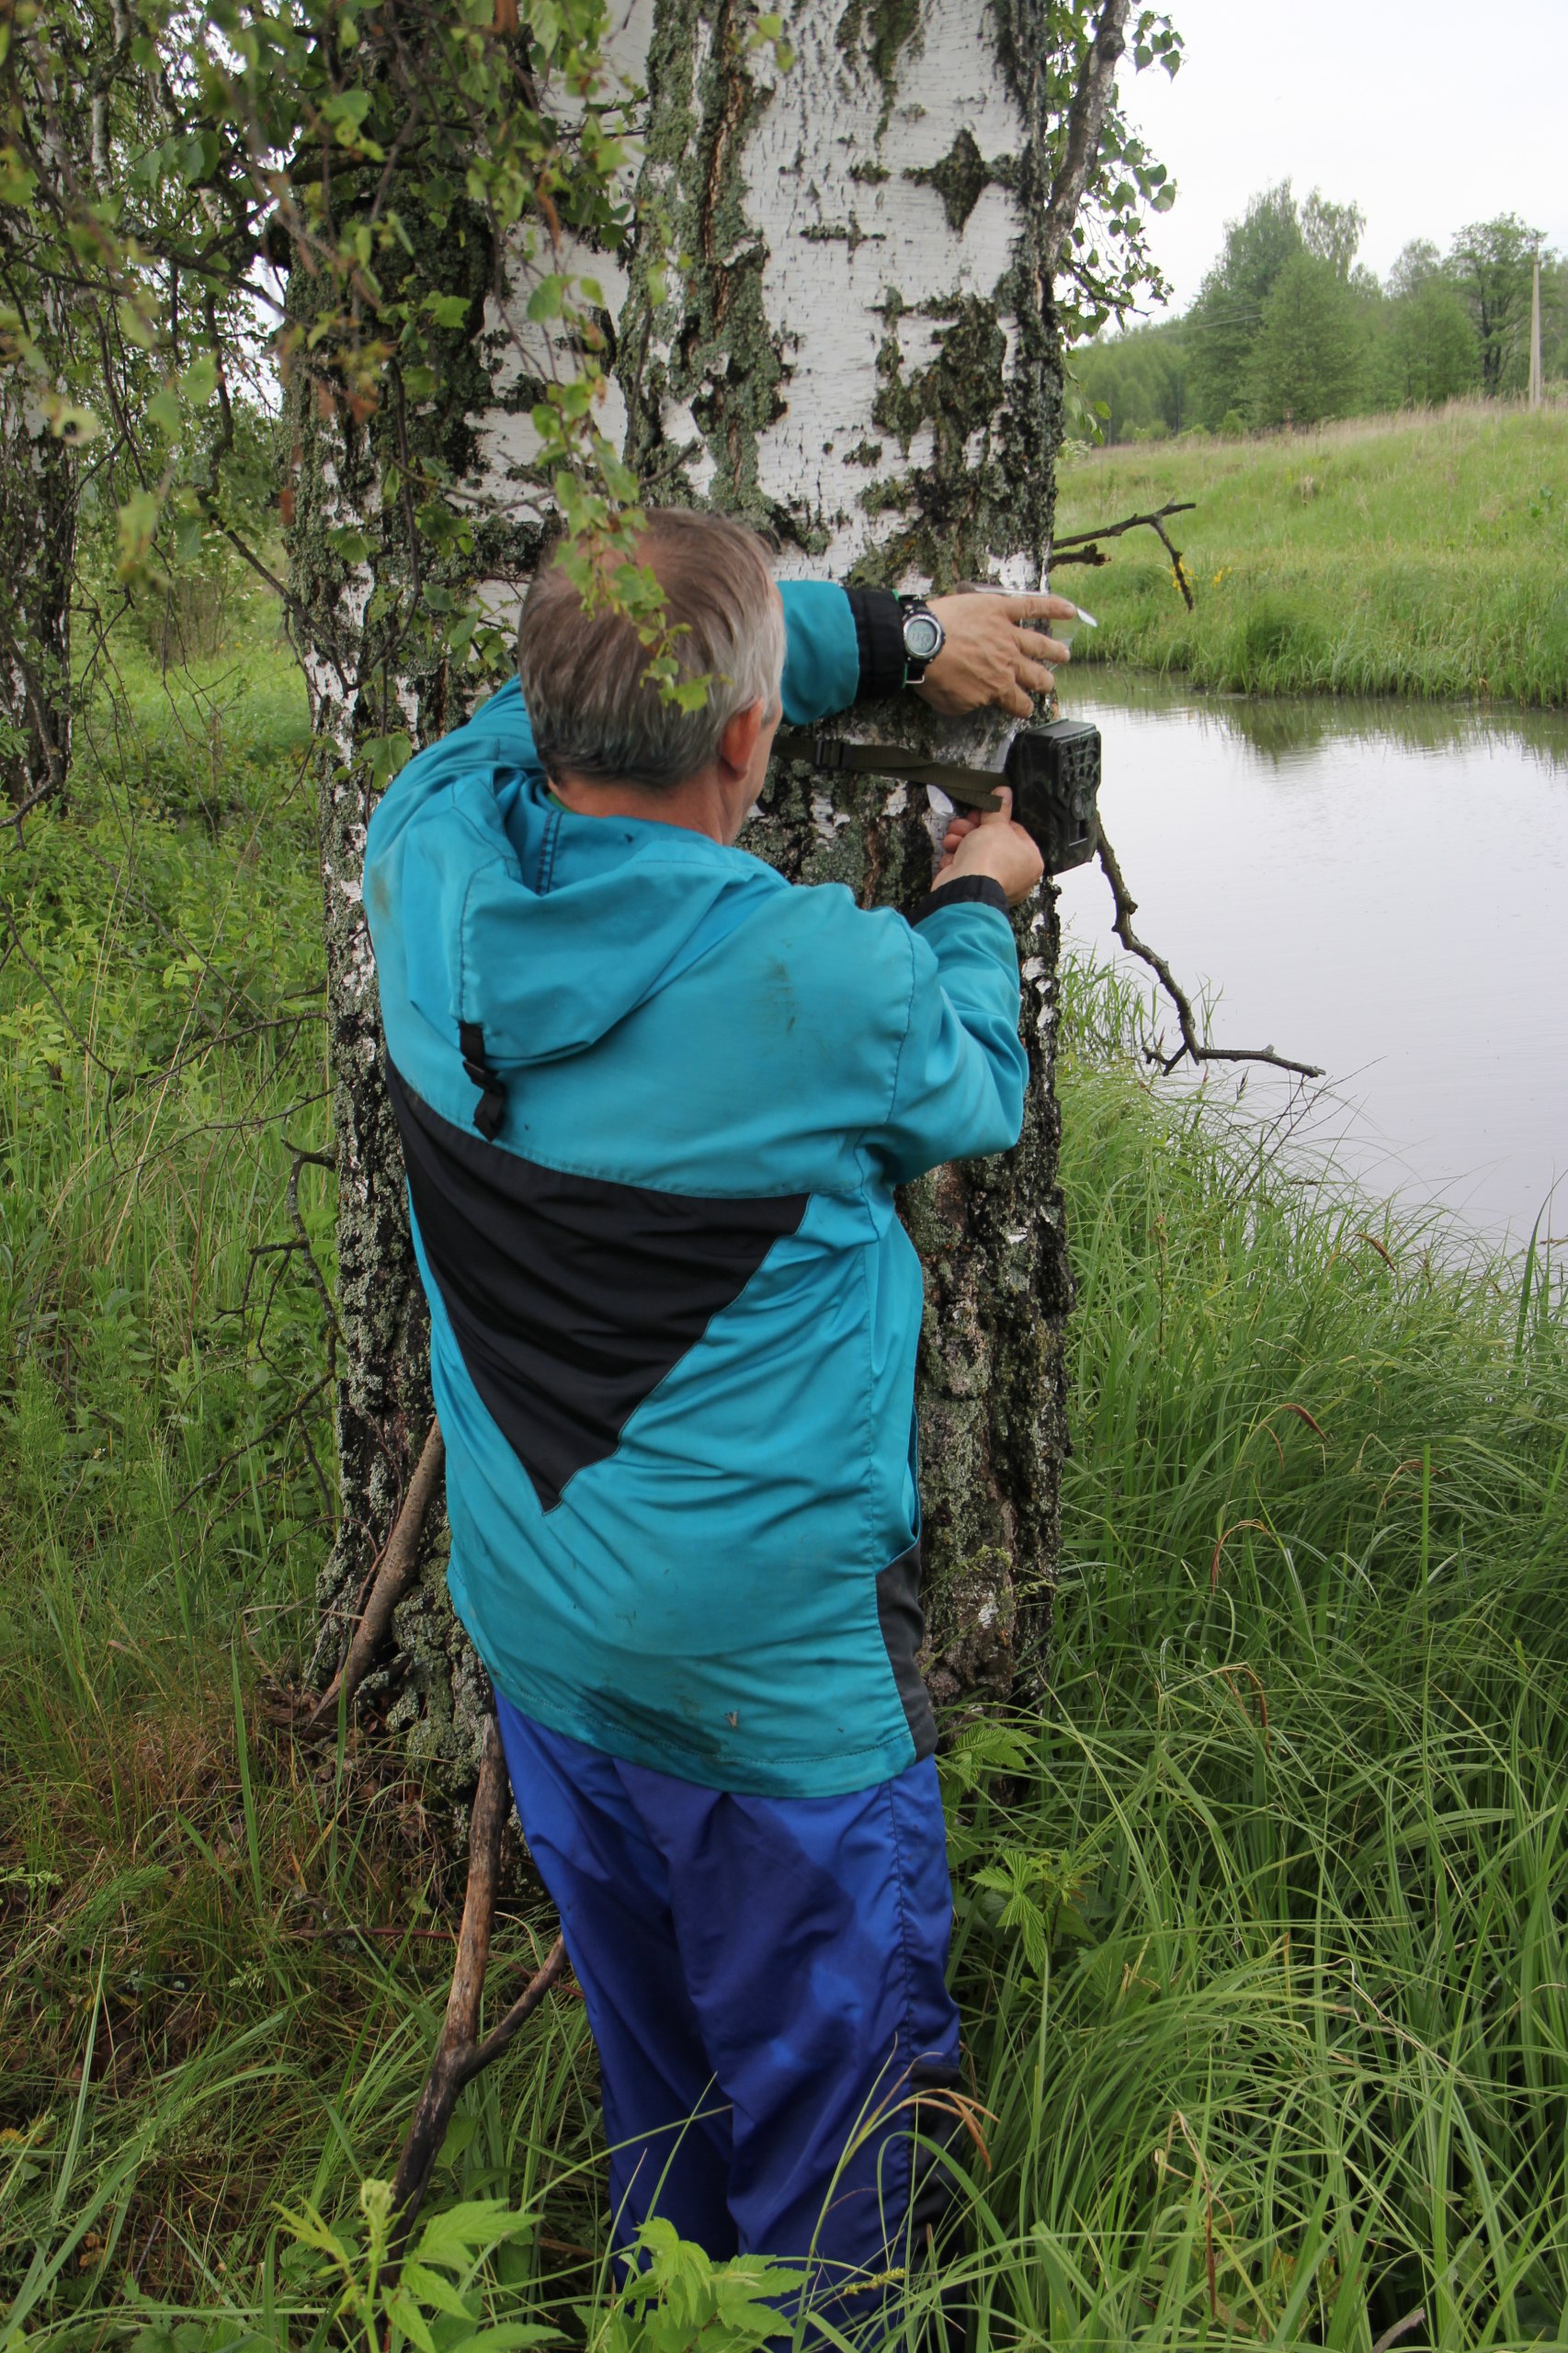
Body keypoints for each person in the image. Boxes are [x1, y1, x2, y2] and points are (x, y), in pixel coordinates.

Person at [362, 512, 1074, 2326]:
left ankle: (659, 2304)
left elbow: (501, 719)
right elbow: (975, 1084)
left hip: (544, 1634)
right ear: (753, 737)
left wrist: (893, 637)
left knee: (661, 2078)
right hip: (773, 1704)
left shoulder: (422, 849)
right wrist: (981, 891)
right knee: (838, 2139)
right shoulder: (816, 982)